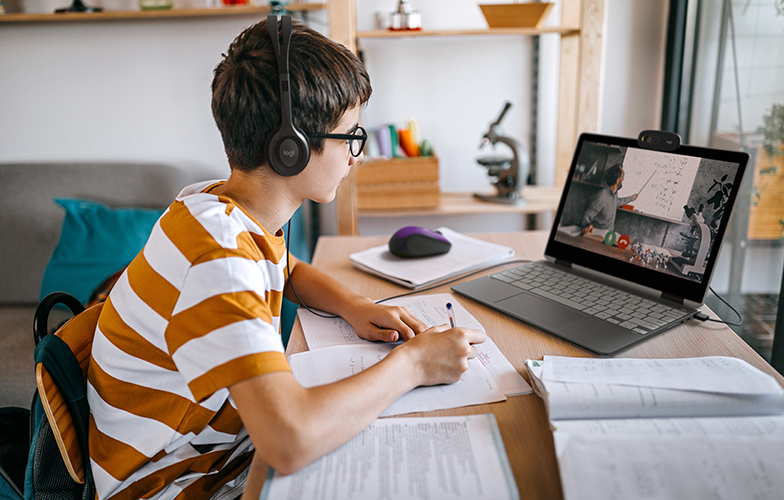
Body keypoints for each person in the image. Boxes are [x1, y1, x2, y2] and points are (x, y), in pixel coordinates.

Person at [86, 18, 485, 500]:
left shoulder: (214, 205)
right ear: (291, 150)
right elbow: (289, 439)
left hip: (222, 454)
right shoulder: (217, 258)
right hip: (175, 485)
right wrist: (415, 366)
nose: (356, 156)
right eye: (351, 137)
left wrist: (353, 305)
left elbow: (286, 268)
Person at [580, 164, 638, 236]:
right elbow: (587, 215)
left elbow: (617, 202)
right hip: (597, 235)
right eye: (622, 177)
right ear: (617, 180)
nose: (623, 179)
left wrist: (631, 198)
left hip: (608, 236)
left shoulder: (614, 194)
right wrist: (587, 225)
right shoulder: (602, 196)